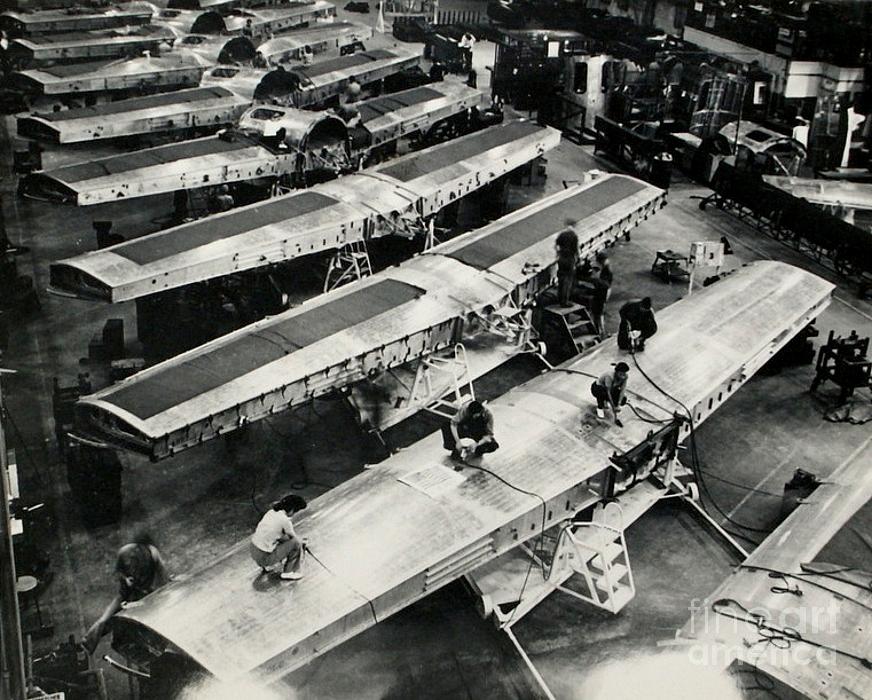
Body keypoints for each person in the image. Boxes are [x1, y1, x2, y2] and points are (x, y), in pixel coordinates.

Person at [83, 533, 169, 654]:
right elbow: (118, 571)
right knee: (106, 619)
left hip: (147, 593)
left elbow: (162, 576)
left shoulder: (154, 555)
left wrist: (161, 591)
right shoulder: (125, 552)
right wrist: (126, 579)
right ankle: (87, 643)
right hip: (127, 592)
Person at [250, 494, 308, 580]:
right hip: (264, 558)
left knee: (276, 538)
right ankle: (288, 572)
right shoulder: (285, 520)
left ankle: (266, 566)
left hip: (253, 550)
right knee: (296, 543)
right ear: (292, 510)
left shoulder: (271, 512)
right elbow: (293, 538)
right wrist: (302, 543)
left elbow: (276, 535)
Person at [555, 228, 581, 307]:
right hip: (569, 259)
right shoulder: (574, 236)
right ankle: (565, 301)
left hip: (561, 258)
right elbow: (576, 250)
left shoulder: (562, 235)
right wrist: (578, 259)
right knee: (568, 281)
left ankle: (559, 298)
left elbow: (556, 245)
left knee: (561, 279)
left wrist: (559, 253)